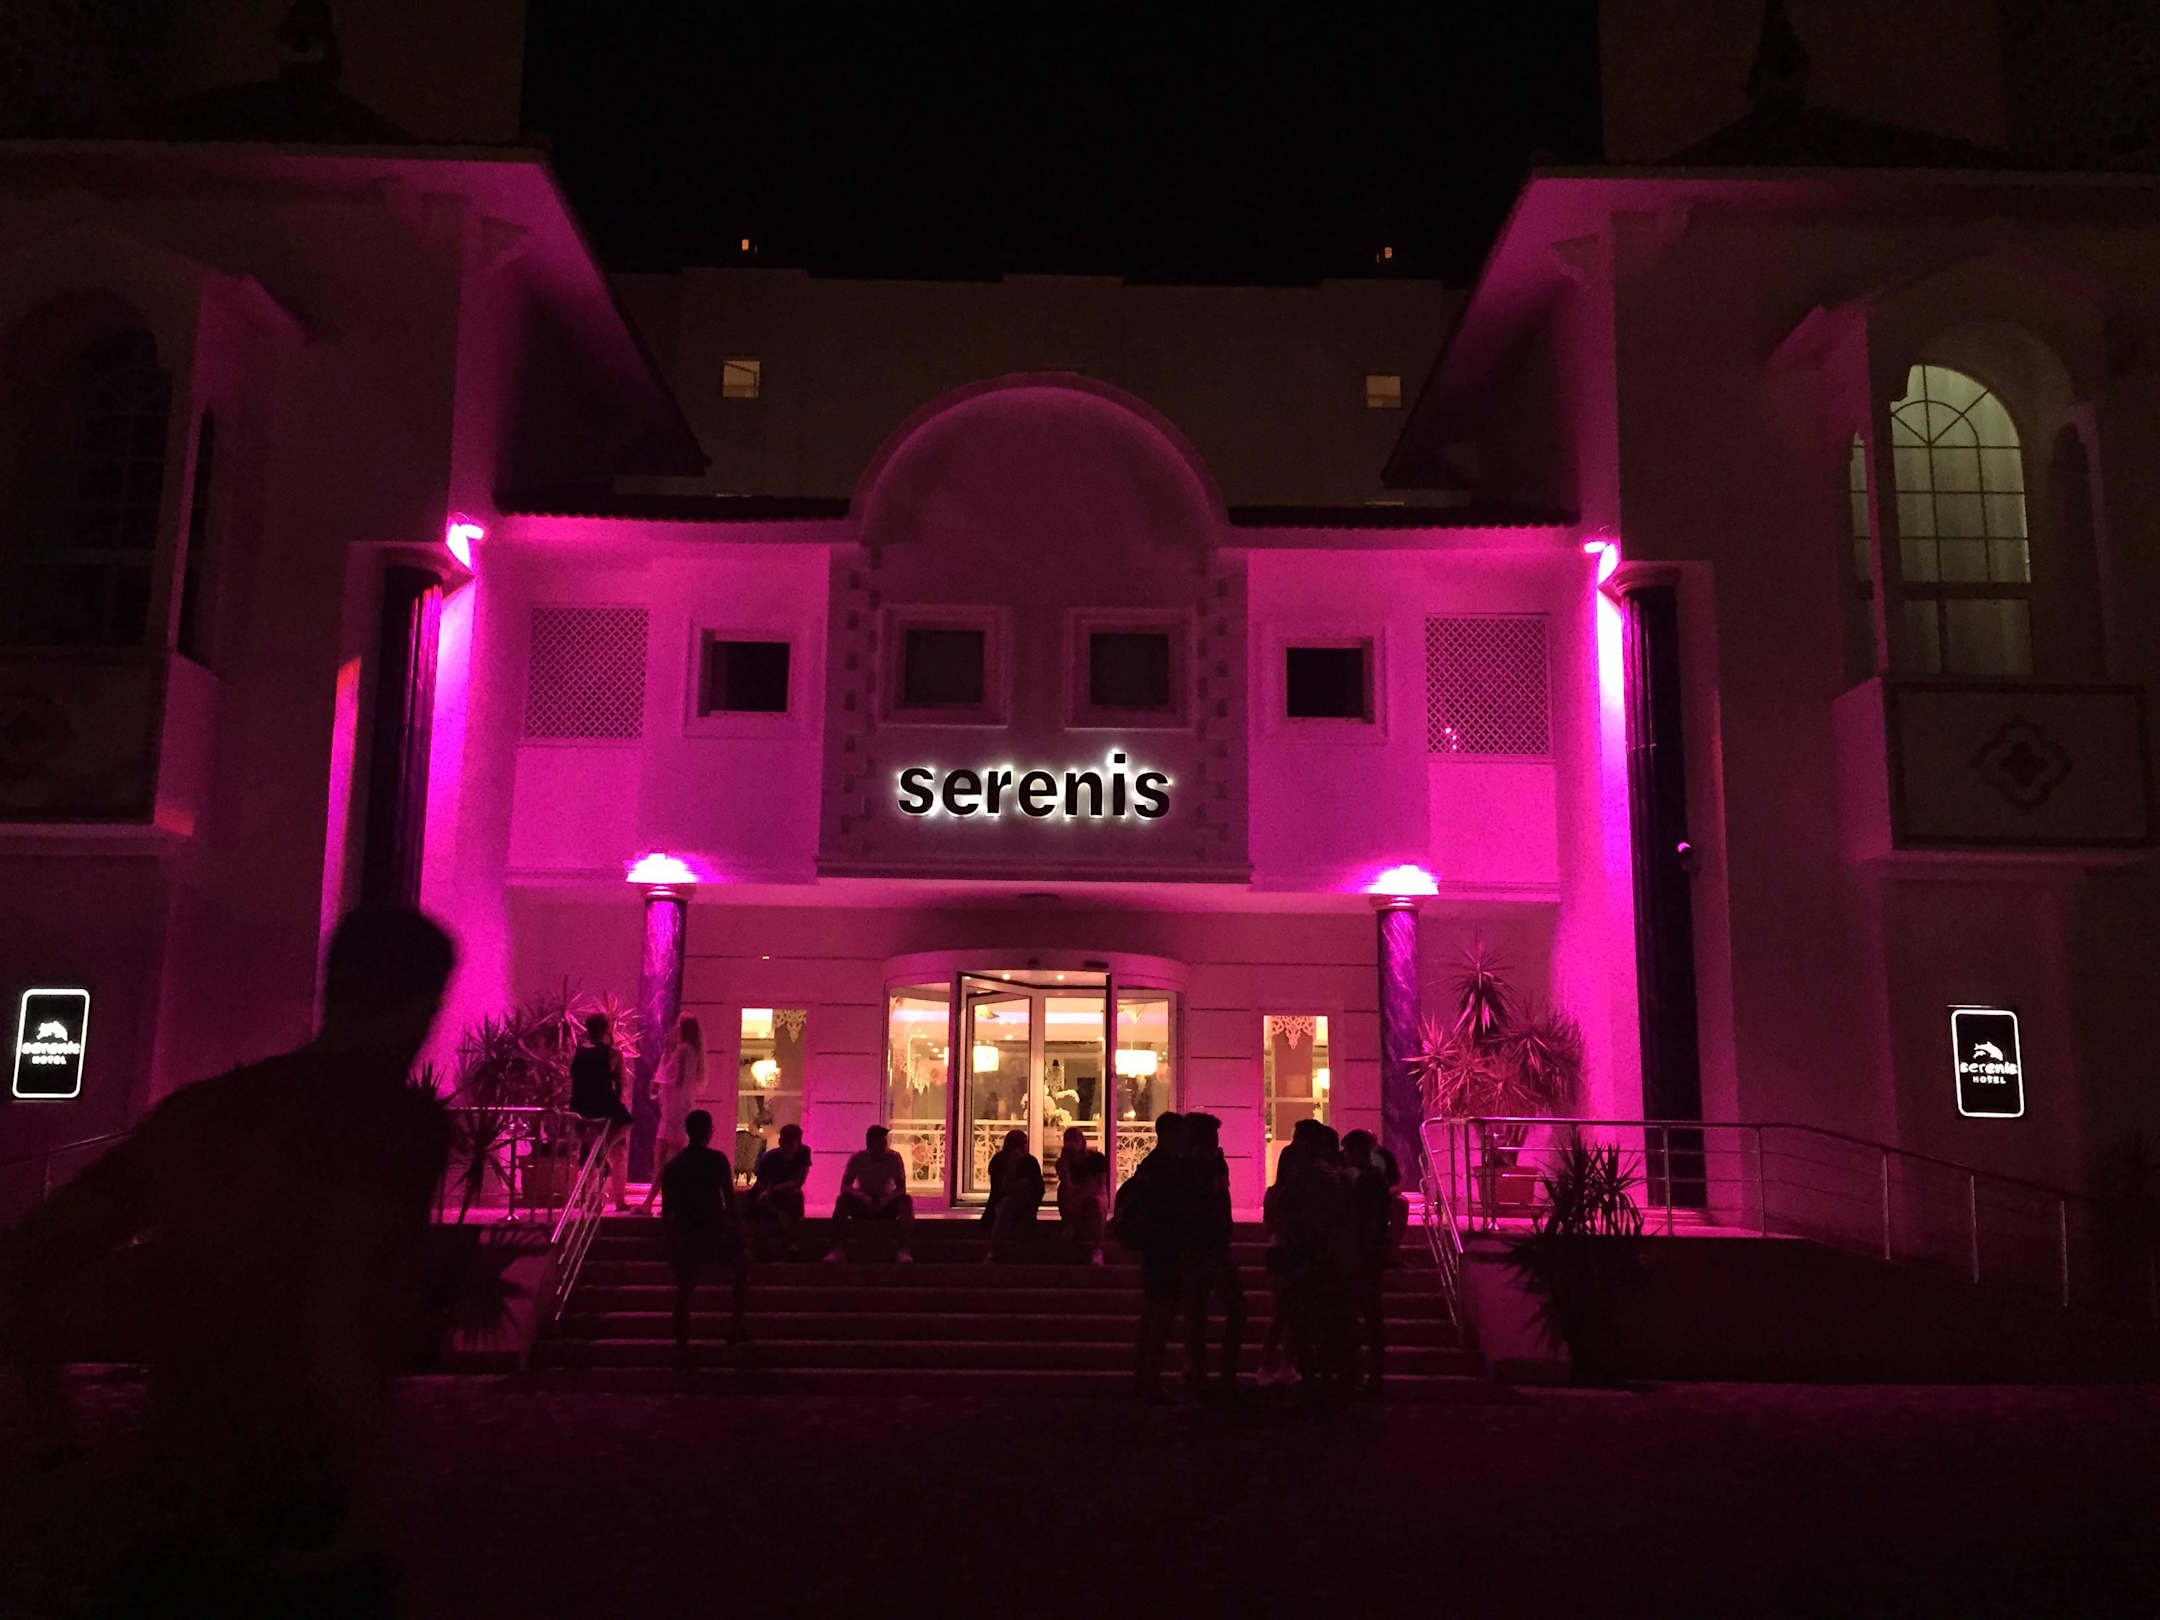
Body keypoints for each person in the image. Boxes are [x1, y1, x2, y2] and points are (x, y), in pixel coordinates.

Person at [2, 905, 456, 1617]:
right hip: (315, 1495)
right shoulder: (392, 1125)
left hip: (184, 1491)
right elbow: (336, 1313)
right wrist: (382, 1493)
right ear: (420, 1007)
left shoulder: (199, 1117)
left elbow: (28, 1259)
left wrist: (58, 1440)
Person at [659, 1109, 746, 1359]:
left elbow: (667, 1208)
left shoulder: (674, 1165)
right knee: (741, 1272)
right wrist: (736, 1229)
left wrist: (669, 1239)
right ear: (708, 1131)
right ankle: (735, 1326)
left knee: (684, 1289)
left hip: (686, 1230)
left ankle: (682, 1342)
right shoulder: (716, 1160)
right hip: (713, 1229)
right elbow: (728, 1198)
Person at [1113, 1111, 1187, 1400]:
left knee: (1154, 1312)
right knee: (1160, 1314)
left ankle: (1144, 1376)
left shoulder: (1152, 1165)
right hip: (1163, 1247)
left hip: (1155, 1247)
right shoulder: (1165, 1167)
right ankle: (1149, 1380)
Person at [1178, 1112, 1247, 1402]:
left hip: (1204, 1245)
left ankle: (1200, 1373)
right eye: (1213, 1135)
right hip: (1207, 1246)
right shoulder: (1199, 1165)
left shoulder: (1197, 1163)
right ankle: (1214, 1374)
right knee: (1229, 1309)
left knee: (1199, 1313)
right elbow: (1208, 1200)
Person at [1341, 1129, 1395, 1396]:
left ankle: (1371, 1374)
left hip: (1365, 1253)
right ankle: (1370, 1372)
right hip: (1369, 1252)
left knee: (1368, 1313)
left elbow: (1367, 1218)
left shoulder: (1368, 1180)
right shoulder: (1373, 1178)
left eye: (1347, 1151)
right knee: (1370, 1313)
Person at [639, 1016, 705, 1215]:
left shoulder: (684, 1050)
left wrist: (667, 1054)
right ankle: (658, 1202)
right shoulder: (687, 1051)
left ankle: (658, 1203)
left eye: (678, 1026)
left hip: (675, 1113)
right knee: (663, 1158)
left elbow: (676, 1079)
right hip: (672, 1112)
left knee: (667, 1160)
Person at [568, 1011, 632, 1212]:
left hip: (581, 1108)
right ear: (606, 1029)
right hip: (604, 1106)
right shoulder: (613, 1054)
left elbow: (574, 1082)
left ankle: (587, 1199)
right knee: (618, 1150)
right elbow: (621, 1085)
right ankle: (619, 1201)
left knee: (587, 1153)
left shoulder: (578, 1053)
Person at [824, 1124, 915, 1262]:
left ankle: (904, 1249)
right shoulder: (858, 1159)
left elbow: (901, 1188)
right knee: (842, 1201)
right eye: (879, 1142)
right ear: (869, 1143)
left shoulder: (893, 1158)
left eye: (884, 1141)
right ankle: (837, 1248)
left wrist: (887, 1199)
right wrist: (861, 1196)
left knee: (906, 1201)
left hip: (885, 1201)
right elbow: (845, 1186)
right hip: (863, 1201)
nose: (883, 1145)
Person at [745, 1122, 811, 1256]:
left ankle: (791, 1240)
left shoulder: (803, 1153)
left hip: (781, 1190)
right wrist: (767, 1192)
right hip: (768, 1189)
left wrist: (775, 1189)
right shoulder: (768, 1158)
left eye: (790, 1144)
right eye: (785, 1143)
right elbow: (761, 1183)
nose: (786, 1148)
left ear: (798, 1144)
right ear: (780, 1141)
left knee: (796, 1196)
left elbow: (798, 1181)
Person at [984, 1128, 1044, 1262]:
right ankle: (995, 1250)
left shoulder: (1030, 1162)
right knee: (1006, 1206)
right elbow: (998, 1188)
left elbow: (1038, 1188)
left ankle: (994, 1251)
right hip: (1004, 1202)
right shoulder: (999, 1160)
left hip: (1025, 1203)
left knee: (1008, 1207)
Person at [1055, 1125, 1110, 1265]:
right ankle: (1070, 1227)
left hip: (1094, 1195)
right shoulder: (1063, 1162)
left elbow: (1100, 1185)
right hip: (1075, 1197)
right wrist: (1066, 1165)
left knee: (1095, 1203)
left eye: (1075, 1140)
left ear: (1082, 1141)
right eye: (1068, 1140)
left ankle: (1097, 1249)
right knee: (1062, 1190)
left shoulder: (1096, 1158)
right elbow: (1066, 1185)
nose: (1071, 1144)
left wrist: (1080, 1193)